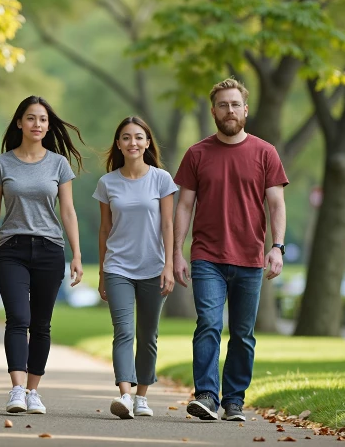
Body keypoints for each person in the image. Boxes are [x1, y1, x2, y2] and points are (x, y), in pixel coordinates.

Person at [173, 78, 288, 422]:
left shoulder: (265, 152)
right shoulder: (197, 153)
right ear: (213, 111)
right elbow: (184, 206)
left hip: (250, 258)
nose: (229, 110)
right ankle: (207, 395)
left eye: (235, 104)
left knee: (242, 333)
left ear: (245, 110)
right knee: (208, 323)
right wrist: (177, 252)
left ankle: (234, 400)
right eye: (222, 105)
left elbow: (277, 205)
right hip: (207, 255)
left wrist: (277, 247)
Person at [0, 95, 85, 415]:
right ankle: (16, 389)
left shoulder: (58, 164)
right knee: (18, 319)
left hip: (50, 250)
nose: (36, 124)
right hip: (11, 249)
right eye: (30, 118)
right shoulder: (2, 163)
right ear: (19, 123)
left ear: (48, 125)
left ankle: (33, 391)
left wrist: (77, 254)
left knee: (41, 324)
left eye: (42, 119)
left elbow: (67, 211)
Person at [93, 116, 177, 419]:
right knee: (123, 332)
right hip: (118, 267)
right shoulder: (107, 182)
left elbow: (168, 224)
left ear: (147, 143)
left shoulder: (161, 179)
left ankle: (142, 396)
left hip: (154, 266)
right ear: (119, 144)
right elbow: (105, 229)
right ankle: (125, 396)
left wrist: (169, 265)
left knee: (148, 334)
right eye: (126, 137)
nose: (133, 143)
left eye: (139, 137)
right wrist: (103, 271)